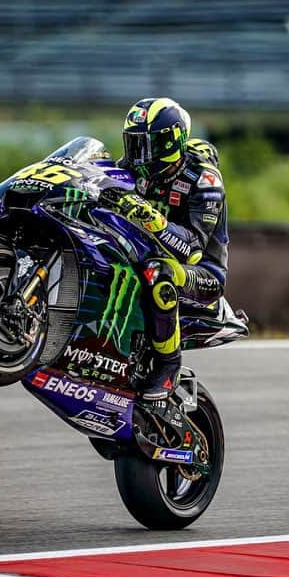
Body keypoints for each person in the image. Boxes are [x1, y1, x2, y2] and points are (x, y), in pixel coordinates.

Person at [100, 97, 229, 402]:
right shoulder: (133, 167)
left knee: (158, 273)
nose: (137, 156)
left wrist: (151, 219)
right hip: (150, 254)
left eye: (147, 146)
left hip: (203, 272)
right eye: (133, 145)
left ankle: (168, 366)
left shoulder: (204, 180)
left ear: (171, 142)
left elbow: (192, 248)